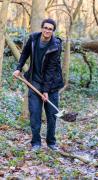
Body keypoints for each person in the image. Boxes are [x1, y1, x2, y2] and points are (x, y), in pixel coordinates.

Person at [13, 18, 64, 151]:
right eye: (45, 28)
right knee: (35, 113)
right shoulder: (33, 39)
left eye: (50, 29)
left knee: (52, 115)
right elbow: (25, 53)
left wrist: (46, 91)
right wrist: (19, 68)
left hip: (51, 85)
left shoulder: (56, 45)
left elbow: (51, 70)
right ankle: (36, 143)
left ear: (53, 31)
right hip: (34, 82)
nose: (47, 30)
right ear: (42, 28)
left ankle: (51, 142)